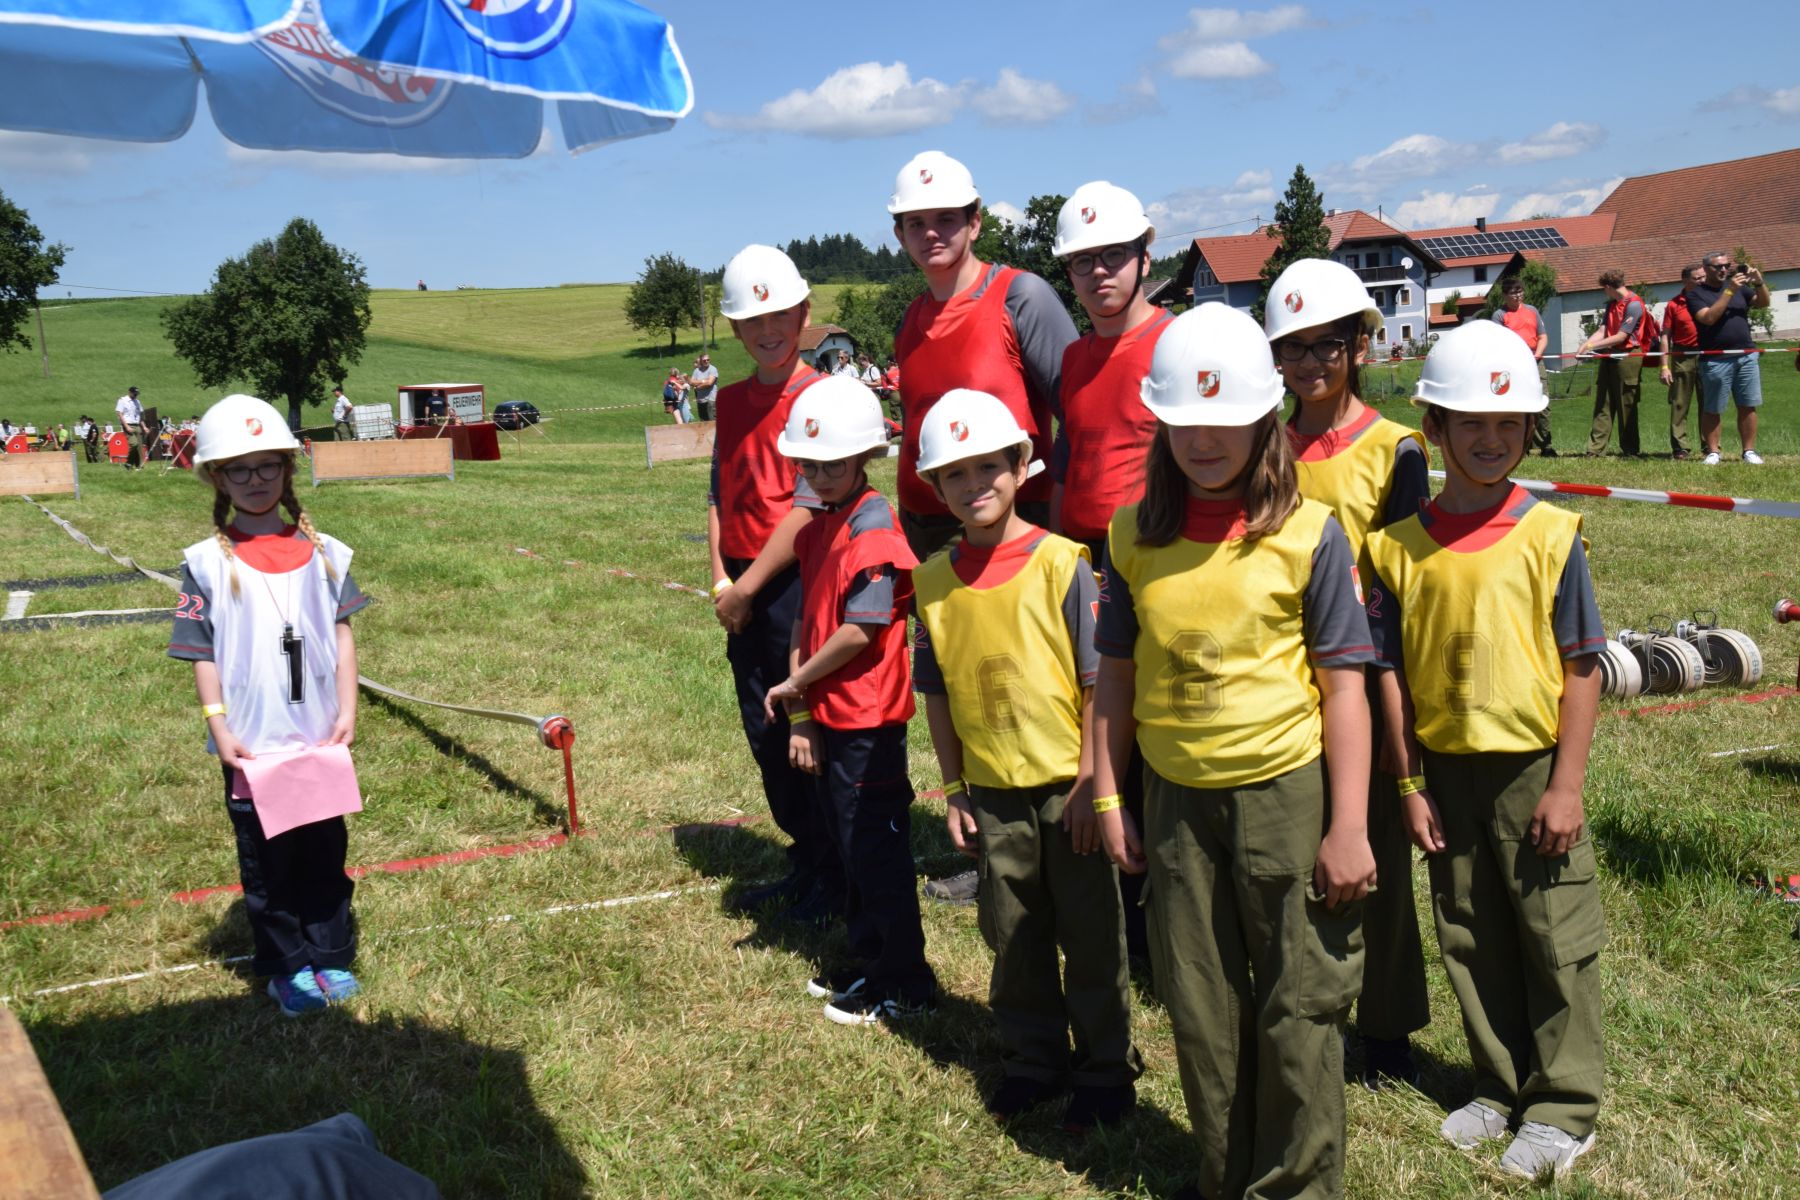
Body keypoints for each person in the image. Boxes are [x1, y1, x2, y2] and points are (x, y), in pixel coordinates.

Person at [1091, 303, 1377, 1200]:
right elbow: (1116, 678)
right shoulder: (1131, 536)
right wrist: (1109, 794)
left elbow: (1344, 689)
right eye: (1184, 423)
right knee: (1202, 1013)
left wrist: (1349, 827)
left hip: (1286, 798)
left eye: (1224, 422)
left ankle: (1297, 1187)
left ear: (1263, 418)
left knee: (1298, 1005)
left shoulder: (1308, 533)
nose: (1203, 441)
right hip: (1177, 803)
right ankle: (1226, 1177)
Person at [1365, 320, 1607, 1180]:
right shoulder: (1396, 550)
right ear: (1433, 428)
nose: (1493, 439)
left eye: (1510, 425)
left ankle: (1564, 1105)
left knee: (1552, 933)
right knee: (1468, 930)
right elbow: (1388, 673)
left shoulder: (1551, 535)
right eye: (1472, 423)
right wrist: (1407, 783)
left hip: (1531, 770)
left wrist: (1566, 784)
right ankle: (1499, 1084)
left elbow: (1584, 666)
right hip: (1445, 772)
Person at [911, 389, 1141, 1130]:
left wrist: (1089, 782)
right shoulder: (932, 583)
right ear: (934, 486)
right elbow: (938, 695)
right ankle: (1033, 1059)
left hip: (1067, 791)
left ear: (1021, 466)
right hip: (993, 794)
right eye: (954, 474)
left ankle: (1106, 1068)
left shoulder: (1061, 564)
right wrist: (954, 789)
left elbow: (1097, 683)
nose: (974, 485)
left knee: (1092, 935)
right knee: (1012, 936)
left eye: (989, 466)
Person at [1265, 256, 1433, 1090]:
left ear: (1361, 346)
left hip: (1360, 674)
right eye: (1292, 349)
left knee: (1375, 853)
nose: (1309, 365)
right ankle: (1311, 998)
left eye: (1326, 346)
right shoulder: (1261, 443)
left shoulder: (1393, 448)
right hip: (1279, 672)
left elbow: (1401, 582)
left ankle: (1388, 1024)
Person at [167, 393, 372, 1017]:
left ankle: (331, 956)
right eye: (237, 470)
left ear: (287, 470)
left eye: (267, 467)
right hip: (253, 749)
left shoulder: (327, 553)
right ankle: (287, 967)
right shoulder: (204, 565)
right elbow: (201, 653)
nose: (254, 482)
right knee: (270, 867)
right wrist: (218, 725)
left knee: (324, 856)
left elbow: (341, 633)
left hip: (317, 742)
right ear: (216, 478)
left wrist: (347, 708)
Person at [763, 377, 935, 1026]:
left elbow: (861, 630)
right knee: (848, 843)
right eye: (807, 464)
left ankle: (907, 980)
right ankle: (869, 961)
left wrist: (794, 685)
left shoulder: (874, 533)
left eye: (831, 463)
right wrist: (802, 713)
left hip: (869, 725)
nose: (817, 474)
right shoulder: (821, 530)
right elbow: (809, 620)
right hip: (831, 717)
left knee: (877, 852)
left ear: (864, 457)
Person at [1048, 181, 1174, 955]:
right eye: (1083, 263)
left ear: (1144, 256)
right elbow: (1069, 457)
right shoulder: (1072, 355)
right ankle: (1127, 914)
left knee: (1154, 737)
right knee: (1104, 734)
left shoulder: (1175, 343)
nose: (1099, 275)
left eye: (1113, 258)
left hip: (1157, 562)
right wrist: (1064, 552)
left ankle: (1168, 914)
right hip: (1090, 566)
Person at [708, 244, 841, 925]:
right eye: (752, 318)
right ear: (734, 329)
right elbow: (717, 490)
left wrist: (749, 586)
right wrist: (720, 578)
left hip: (792, 587)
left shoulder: (820, 396)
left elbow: (808, 504)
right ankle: (807, 857)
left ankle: (835, 871)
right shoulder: (731, 402)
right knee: (764, 731)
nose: (767, 328)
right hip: (743, 590)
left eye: (780, 314)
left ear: (804, 314)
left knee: (804, 728)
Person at [888, 149, 1078, 561]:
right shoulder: (908, 321)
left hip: (1014, 523)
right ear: (899, 234)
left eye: (945, 219)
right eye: (916, 223)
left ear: (974, 223)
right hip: (927, 531)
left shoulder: (1020, 297)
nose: (931, 233)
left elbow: (1079, 417)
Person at [1691, 250, 1770, 464]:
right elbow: (1708, 318)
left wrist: (1759, 283)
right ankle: (1714, 451)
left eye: (1727, 265)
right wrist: (1730, 291)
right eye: (1719, 267)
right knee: (1713, 407)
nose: (1724, 270)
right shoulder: (1696, 294)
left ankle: (1749, 451)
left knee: (1748, 404)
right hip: (1716, 359)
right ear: (1706, 268)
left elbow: (1763, 303)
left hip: (1746, 355)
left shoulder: (1740, 289)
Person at [1575, 270, 1654, 457]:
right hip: (1609, 356)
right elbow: (1603, 330)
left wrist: (1592, 345)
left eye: (1604, 289)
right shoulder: (1611, 305)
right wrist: (1585, 345)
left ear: (1609, 287)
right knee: (1603, 403)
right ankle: (1595, 450)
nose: (1604, 292)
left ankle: (1630, 449)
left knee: (1626, 404)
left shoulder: (1634, 304)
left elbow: (1621, 336)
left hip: (1628, 356)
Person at [1490, 277, 1555, 456]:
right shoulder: (1499, 315)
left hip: (1536, 361)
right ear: (1504, 295)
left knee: (1543, 404)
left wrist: (1537, 355)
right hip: (1513, 365)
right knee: (1518, 406)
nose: (1518, 296)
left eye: (1520, 291)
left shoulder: (1532, 311)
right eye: (1513, 293)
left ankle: (1546, 446)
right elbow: (1498, 341)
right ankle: (1522, 446)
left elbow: (1543, 337)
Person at [1658, 264, 1703, 460]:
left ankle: (1710, 446)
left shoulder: (1710, 300)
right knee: (1679, 403)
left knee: (1708, 403)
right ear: (1685, 280)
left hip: (1707, 355)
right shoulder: (1674, 305)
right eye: (1697, 278)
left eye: (1703, 277)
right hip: (1682, 356)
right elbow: (1665, 337)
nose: (1702, 281)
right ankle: (1680, 447)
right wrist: (1665, 366)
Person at [116, 384, 146, 469]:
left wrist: (144, 427)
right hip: (128, 424)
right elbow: (119, 414)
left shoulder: (137, 402)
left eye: (137, 394)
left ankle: (139, 465)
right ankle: (129, 462)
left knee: (139, 446)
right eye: (134, 393)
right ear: (129, 392)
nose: (136, 395)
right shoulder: (122, 400)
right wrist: (126, 426)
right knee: (134, 444)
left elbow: (140, 415)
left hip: (137, 425)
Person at [689, 352, 719, 423]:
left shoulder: (713, 369)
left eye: (708, 360)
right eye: (704, 360)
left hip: (710, 400)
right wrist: (703, 381)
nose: (706, 361)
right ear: (701, 361)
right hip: (700, 400)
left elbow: (709, 383)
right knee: (703, 423)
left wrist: (698, 387)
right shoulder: (696, 371)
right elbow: (691, 382)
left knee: (712, 423)